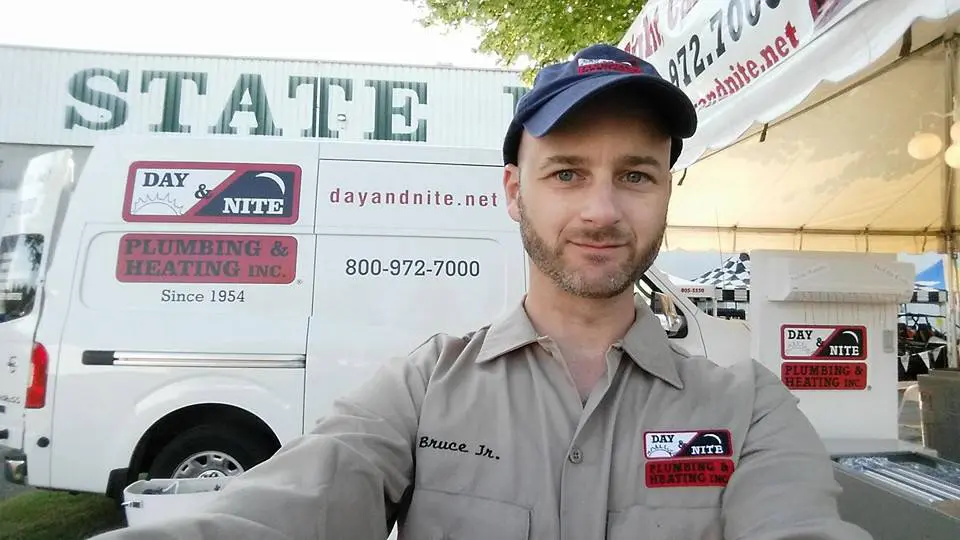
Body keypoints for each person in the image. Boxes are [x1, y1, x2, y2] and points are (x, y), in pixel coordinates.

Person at [93, 44, 872, 540]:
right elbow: (280, 512)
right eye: (567, 173)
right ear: (513, 190)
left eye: (635, 175)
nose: (602, 210)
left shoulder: (748, 407)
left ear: (668, 191)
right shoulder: (425, 388)